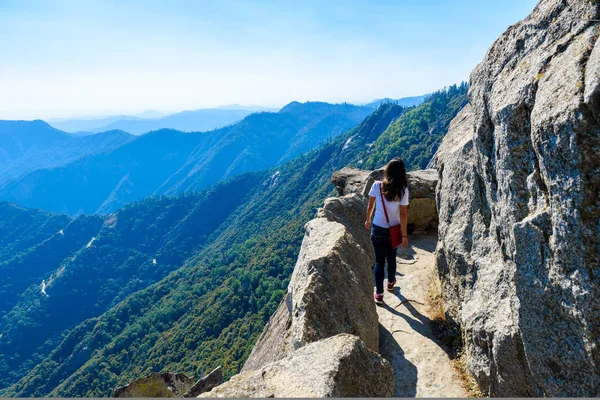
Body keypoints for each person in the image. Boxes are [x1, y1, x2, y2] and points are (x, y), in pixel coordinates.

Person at [364, 158, 409, 304]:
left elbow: (370, 206)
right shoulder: (403, 190)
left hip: (377, 228)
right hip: (393, 230)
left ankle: (379, 294)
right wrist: (404, 235)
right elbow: (403, 214)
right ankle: (390, 282)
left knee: (379, 262)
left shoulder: (377, 186)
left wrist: (368, 220)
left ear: (387, 171)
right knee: (391, 258)